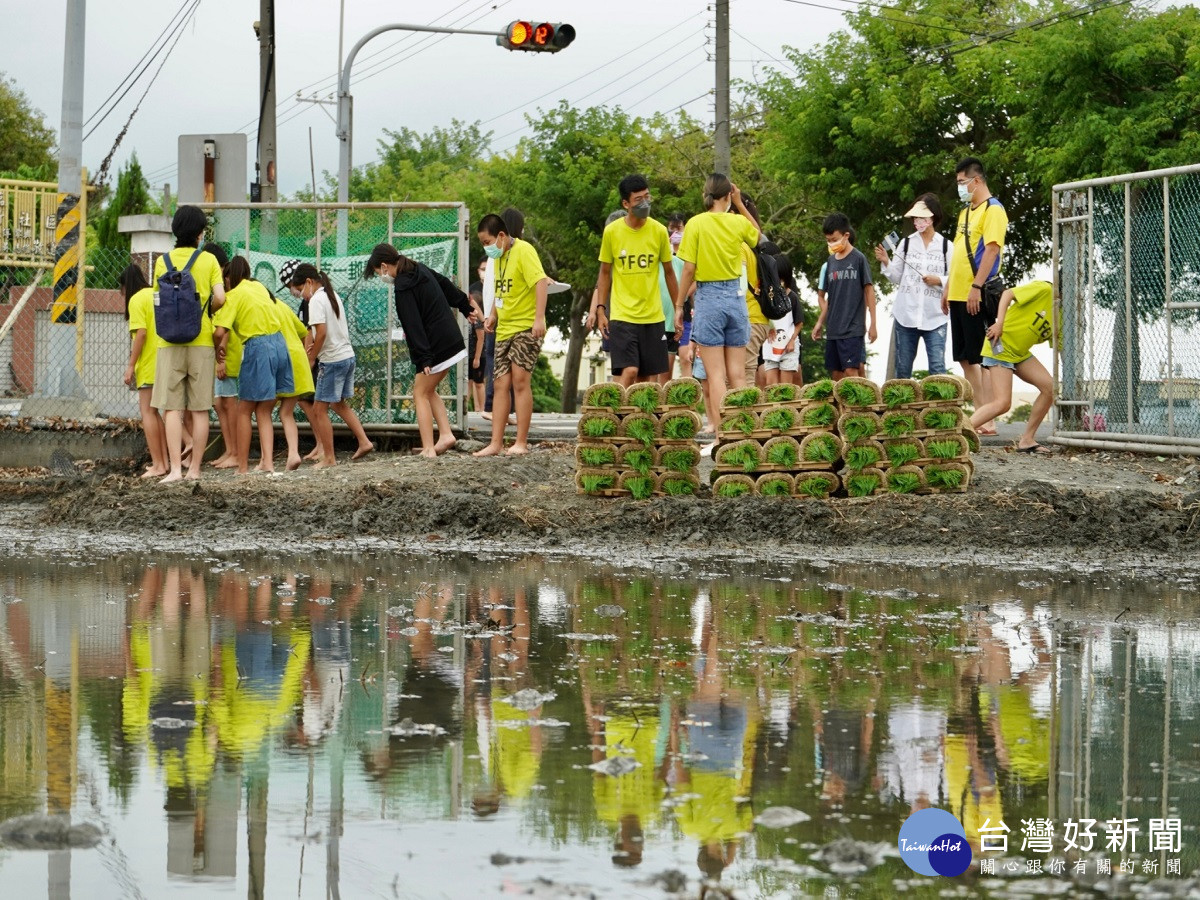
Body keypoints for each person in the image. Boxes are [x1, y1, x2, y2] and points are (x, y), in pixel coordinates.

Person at [674, 173, 761, 445]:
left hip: (709, 298)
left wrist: (679, 305)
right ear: (727, 195)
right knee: (738, 374)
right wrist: (740, 202)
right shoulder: (736, 222)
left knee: (715, 375)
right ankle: (745, 433)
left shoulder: (697, 223)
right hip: (736, 299)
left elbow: (689, 269)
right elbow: (758, 236)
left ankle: (725, 438)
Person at [367, 243, 475, 457]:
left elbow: (412, 324)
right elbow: (445, 284)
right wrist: (464, 305)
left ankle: (428, 448)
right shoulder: (419, 269)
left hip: (436, 346)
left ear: (384, 265)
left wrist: (424, 358)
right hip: (450, 339)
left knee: (419, 393)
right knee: (428, 390)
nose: (382, 277)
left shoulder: (403, 285)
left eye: (379, 272)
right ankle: (445, 435)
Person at [151, 205, 226, 484]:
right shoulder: (208, 261)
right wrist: (206, 310)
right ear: (199, 233)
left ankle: (174, 470)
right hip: (201, 340)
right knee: (199, 409)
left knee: (172, 409)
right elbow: (221, 297)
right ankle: (194, 470)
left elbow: (157, 297)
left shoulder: (163, 260)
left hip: (168, 340)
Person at [473, 213, 551, 457]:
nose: (486, 247)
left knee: (519, 380)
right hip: (505, 327)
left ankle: (521, 443)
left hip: (526, 326)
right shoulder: (498, 258)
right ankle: (496, 443)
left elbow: (540, 283)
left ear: (502, 236)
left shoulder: (525, 251)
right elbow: (499, 289)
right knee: (500, 384)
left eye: (487, 242)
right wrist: (493, 314)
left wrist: (539, 318)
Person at [287, 263, 375, 468]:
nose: (302, 296)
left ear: (309, 282)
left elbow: (322, 332)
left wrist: (312, 357)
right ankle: (364, 441)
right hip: (346, 356)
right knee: (337, 404)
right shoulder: (330, 294)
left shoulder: (317, 299)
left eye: (300, 291)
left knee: (318, 410)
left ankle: (329, 457)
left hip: (333, 359)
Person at [596, 175, 679, 387]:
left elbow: (669, 272)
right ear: (626, 204)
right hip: (623, 315)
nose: (645, 203)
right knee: (630, 370)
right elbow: (605, 273)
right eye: (638, 200)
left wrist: (679, 309)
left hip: (652, 315)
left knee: (646, 379)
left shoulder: (659, 231)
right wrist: (600, 310)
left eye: (647, 197)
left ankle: (639, 419)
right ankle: (618, 413)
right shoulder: (612, 232)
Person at [212, 257, 293, 474]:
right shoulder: (259, 286)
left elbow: (220, 331)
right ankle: (267, 462)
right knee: (264, 409)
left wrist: (216, 350)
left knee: (244, 410)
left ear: (228, 278)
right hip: (279, 343)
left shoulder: (233, 294)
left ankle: (243, 467)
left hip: (258, 347)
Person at [946, 157, 1008, 435]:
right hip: (958, 293)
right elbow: (959, 253)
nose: (960, 187)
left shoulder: (993, 210)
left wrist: (976, 287)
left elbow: (992, 250)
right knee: (965, 357)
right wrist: (948, 288)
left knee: (982, 357)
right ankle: (980, 412)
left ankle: (989, 417)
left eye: (962, 182)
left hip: (977, 293)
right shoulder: (966, 213)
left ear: (977, 181)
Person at [969, 280, 1057, 453]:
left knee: (1051, 388)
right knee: (1002, 403)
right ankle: (956, 432)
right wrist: (999, 322)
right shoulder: (1045, 289)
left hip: (1020, 353)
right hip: (1001, 344)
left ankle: (1027, 440)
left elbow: (1060, 347)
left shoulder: (1062, 314)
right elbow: (1008, 294)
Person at [874, 195, 952, 378]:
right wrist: (886, 261)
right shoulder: (906, 243)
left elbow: (956, 278)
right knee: (902, 370)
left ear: (933, 217)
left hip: (936, 317)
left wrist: (939, 280)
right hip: (906, 315)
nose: (918, 221)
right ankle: (902, 406)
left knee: (938, 368)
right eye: (915, 218)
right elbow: (896, 277)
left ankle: (940, 406)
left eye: (922, 217)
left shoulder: (947, 247)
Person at [812, 213, 876, 380]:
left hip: (853, 328)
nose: (831, 243)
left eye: (834, 239)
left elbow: (869, 291)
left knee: (851, 371)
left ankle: (857, 406)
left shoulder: (859, 259)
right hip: (833, 328)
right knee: (836, 375)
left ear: (846, 235)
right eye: (828, 240)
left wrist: (873, 324)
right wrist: (819, 322)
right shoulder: (830, 262)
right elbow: (829, 298)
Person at [121, 264, 169, 478]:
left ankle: (158, 465)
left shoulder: (136, 299)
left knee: (147, 412)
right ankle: (164, 462)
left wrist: (131, 365)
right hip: (167, 359)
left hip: (149, 364)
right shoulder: (156, 293)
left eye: (121, 290)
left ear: (126, 286)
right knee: (157, 412)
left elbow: (141, 333)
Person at [201, 243, 240, 469]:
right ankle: (230, 449)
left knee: (228, 403)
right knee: (219, 403)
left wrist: (221, 360)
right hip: (222, 355)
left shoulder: (226, 295)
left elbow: (223, 329)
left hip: (227, 355)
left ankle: (234, 450)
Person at [269, 291, 316, 471]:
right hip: (297, 358)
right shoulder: (282, 305)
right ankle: (293, 454)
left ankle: (266, 460)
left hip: (280, 360)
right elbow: (303, 331)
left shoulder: (263, 308)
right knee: (286, 412)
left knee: (263, 411)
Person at [760, 254, 803, 386]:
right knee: (771, 384)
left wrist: (791, 341)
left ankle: (787, 407)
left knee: (786, 386)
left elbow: (799, 322)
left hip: (789, 346)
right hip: (770, 345)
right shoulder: (766, 297)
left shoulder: (792, 297)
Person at [668, 214, 696, 379]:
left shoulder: (689, 253)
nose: (675, 232)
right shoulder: (665, 254)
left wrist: (683, 295)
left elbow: (696, 279)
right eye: (672, 228)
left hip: (685, 312)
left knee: (686, 357)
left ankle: (689, 397)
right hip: (666, 314)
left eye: (679, 228)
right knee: (666, 363)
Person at [467, 265, 487, 413]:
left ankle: (481, 408)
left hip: (477, 355)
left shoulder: (478, 321)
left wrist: (477, 358)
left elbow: (481, 338)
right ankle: (467, 408)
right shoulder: (465, 317)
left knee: (479, 382)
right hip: (467, 354)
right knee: (468, 382)